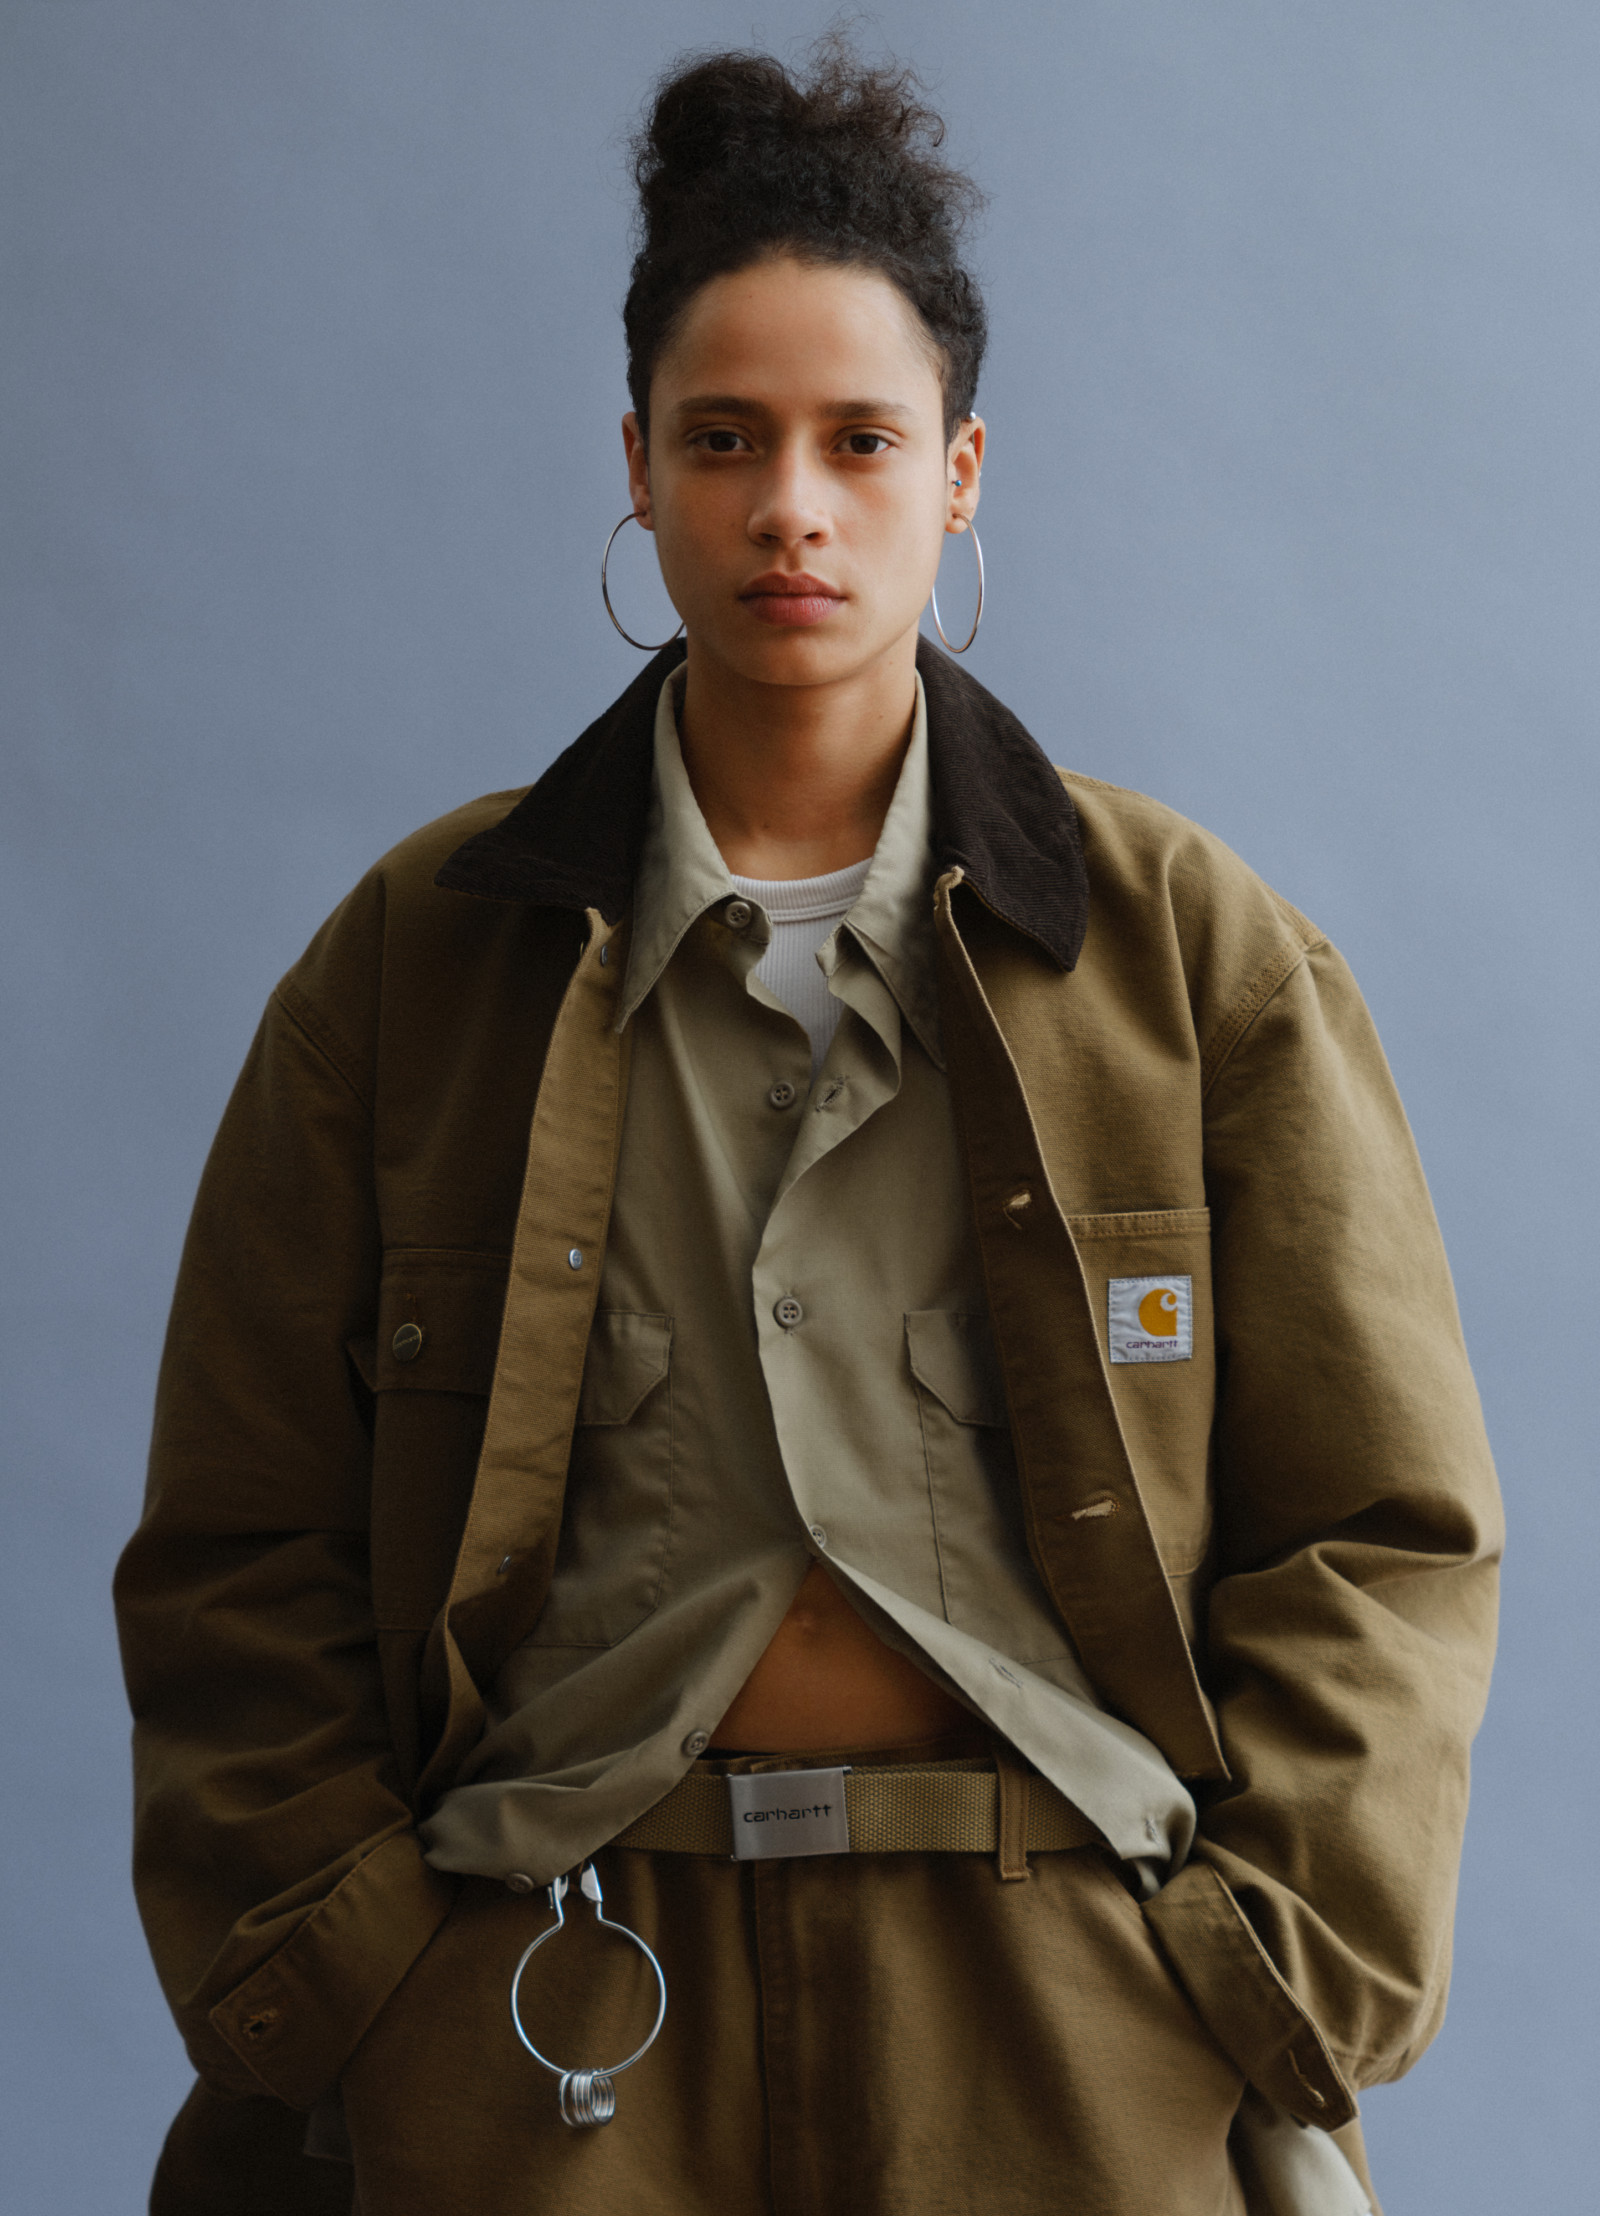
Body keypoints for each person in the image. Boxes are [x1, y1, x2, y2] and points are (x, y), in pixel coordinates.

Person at [116, 41, 1501, 2216]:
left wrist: (1259, 1975)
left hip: (1072, 2031)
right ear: (637, 465)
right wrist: (358, 1982)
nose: (790, 506)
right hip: (548, 2024)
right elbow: (238, 1540)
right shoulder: (418, 965)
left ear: (959, 472)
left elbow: (1382, 1525)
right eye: (723, 438)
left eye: (859, 440)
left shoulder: (1190, 954)